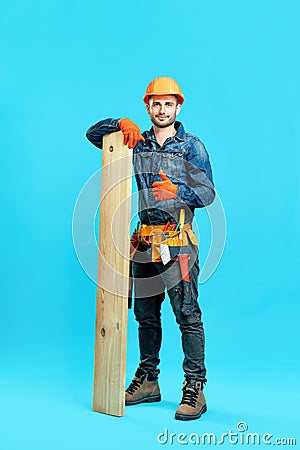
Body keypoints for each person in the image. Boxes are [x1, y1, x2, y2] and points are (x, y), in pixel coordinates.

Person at [86, 77, 215, 421]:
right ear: (148, 106)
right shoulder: (137, 142)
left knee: (187, 314)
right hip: (143, 242)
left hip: (178, 243)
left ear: (178, 107)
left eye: (168, 104)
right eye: (155, 104)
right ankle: (148, 381)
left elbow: (208, 194)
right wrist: (119, 123)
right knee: (145, 315)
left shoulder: (191, 146)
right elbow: (93, 135)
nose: (162, 110)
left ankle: (194, 388)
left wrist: (179, 193)